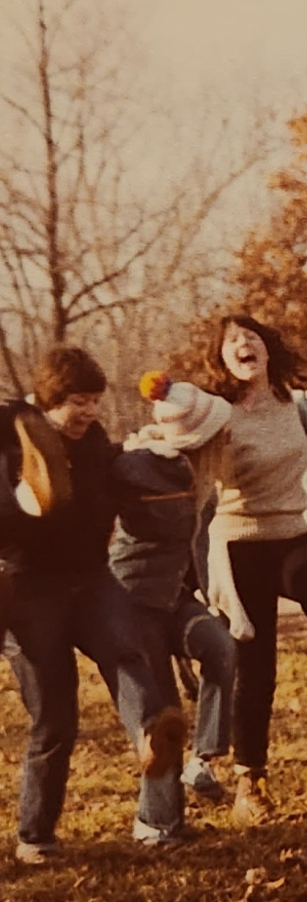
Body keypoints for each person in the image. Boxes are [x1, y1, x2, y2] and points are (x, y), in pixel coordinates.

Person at [182, 315, 307, 825]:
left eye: (251, 337)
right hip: (239, 539)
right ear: (222, 358)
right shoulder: (217, 413)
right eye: (232, 342)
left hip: (292, 528)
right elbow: (177, 442)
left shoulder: (296, 404)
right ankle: (249, 785)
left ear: (268, 349)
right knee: (258, 667)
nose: (244, 345)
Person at [0, 346, 187, 863]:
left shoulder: (98, 442)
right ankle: (35, 836)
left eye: (95, 402)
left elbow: (124, 479)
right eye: (77, 402)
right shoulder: (12, 432)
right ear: (47, 400)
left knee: (127, 652)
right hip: (30, 588)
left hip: (90, 577)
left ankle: (150, 735)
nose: (88, 413)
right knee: (55, 718)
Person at [110, 375, 238, 802]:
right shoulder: (144, 465)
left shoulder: (197, 478)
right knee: (163, 714)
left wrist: (210, 594)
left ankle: (203, 761)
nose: (227, 439)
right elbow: (107, 471)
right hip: (135, 599)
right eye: (219, 432)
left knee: (220, 646)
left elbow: (197, 544)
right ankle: (157, 824)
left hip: (175, 598)